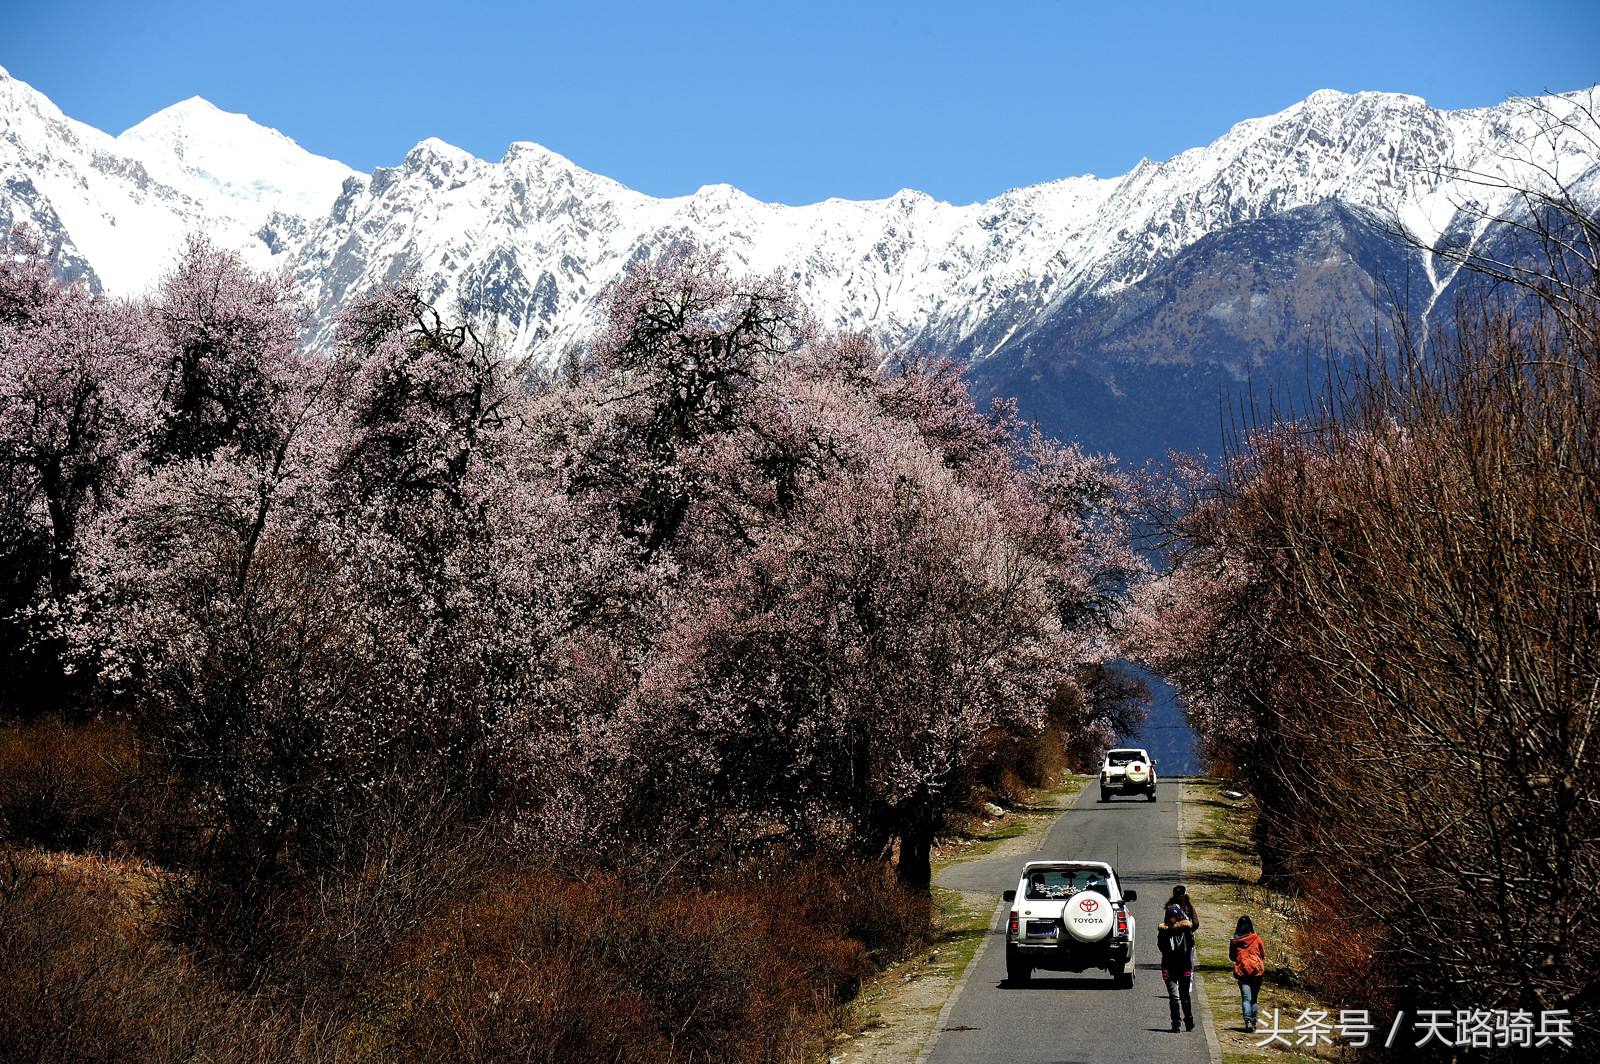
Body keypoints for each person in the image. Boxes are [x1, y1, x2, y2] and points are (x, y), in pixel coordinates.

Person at [1157, 904, 1196, 1032]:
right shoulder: (1164, 932)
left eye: (1175, 917)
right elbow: (1162, 947)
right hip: (1170, 968)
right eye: (1171, 917)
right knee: (1175, 997)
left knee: (1184, 996)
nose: (1172, 920)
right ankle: (1176, 1023)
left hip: (1183, 967)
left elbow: (1190, 944)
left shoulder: (1185, 930)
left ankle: (1188, 1019)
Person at [1229, 915, 1266, 1033]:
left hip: (1242, 972)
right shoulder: (1256, 938)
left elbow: (1232, 957)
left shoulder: (1235, 941)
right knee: (1254, 999)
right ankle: (1254, 1021)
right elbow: (1262, 954)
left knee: (1246, 998)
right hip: (1256, 972)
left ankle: (1248, 1021)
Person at [1168, 884, 1199, 971]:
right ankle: (1187, 979)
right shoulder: (1189, 907)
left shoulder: (1170, 906)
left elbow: (1167, 923)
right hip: (1187, 938)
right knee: (1188, 961)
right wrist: (1190, 930)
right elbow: (1196, 923)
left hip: (1172, 938)